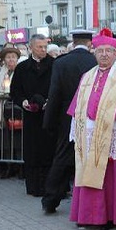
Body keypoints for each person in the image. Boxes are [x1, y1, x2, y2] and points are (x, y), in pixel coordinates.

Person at [68, 32, 116, 229]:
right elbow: (78, 108)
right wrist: (75, 131)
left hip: (114, 132)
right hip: (89, 133)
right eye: (100, 51)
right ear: (94, 53)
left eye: (108, 51)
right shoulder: (87, 76)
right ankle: (88, 216)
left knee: (111, 177)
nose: (103, 55)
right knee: (87, 173)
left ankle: (110, 216)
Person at [41, 30, 97, 214]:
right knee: (91, 156)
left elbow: (54, 93)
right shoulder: (96, 61)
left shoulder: (61, 62)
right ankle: (90, 201)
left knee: (63, 155)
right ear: (90, 43)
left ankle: (51, 198)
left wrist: (49, 120)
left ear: (73, 42)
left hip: (67, 115)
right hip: (93, 114)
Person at [10, 33, 55, 196]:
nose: (43, 50)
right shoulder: (22, 68)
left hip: (48, 116)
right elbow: (15, 91)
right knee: (32, 151)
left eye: (45, 47)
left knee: (48, 151)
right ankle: (33, 186)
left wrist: (50, 101)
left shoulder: (54, 64)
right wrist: (23, 102)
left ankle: (49, 186)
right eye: (40, 47)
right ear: (31, 48)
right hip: (30, 117)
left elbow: (58, 88)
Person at [0, 45, 22, 178]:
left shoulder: (21, 71)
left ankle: (20, 167)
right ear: (4, 59)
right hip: (0, 109)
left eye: (13, 57)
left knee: (18, 139)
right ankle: (8, 167)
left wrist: (12, 94)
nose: (11, 60)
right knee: (4, 139)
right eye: (8, 57)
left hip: (16, 110)